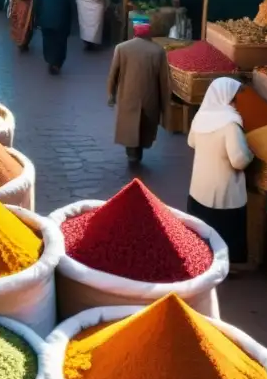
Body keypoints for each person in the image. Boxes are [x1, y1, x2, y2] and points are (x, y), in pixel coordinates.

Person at [185, 78, 254, 263]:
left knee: (201, 231)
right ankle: (226, 266)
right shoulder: (230, 123)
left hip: (199, 188)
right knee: (224, 232)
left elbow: (191, 142)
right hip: (224, 192)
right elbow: (239, 160)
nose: (235, 102)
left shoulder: (201, 117)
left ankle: (200, 260)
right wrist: (251, 154)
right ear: (227, 97)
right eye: (234, 98)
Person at [108, 23, 170, 164]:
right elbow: (164, 81)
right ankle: (138, 153)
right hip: (150, 96)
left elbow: (113, 74)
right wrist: (165, 107)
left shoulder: (122, 48)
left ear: (134, 33)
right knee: (145, 127)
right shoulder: (158, 51)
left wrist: (111, 93)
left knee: (129, 126)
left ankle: (132, 153)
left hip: (127, 96)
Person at [34, 0, 74, 74]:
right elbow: (71, 5)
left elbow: (37, 4)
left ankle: (50, 60)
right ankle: (57, 62)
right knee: (60, 42)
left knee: (48, 40)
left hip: (46, 19)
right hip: (62, 20)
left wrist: (37, 20)